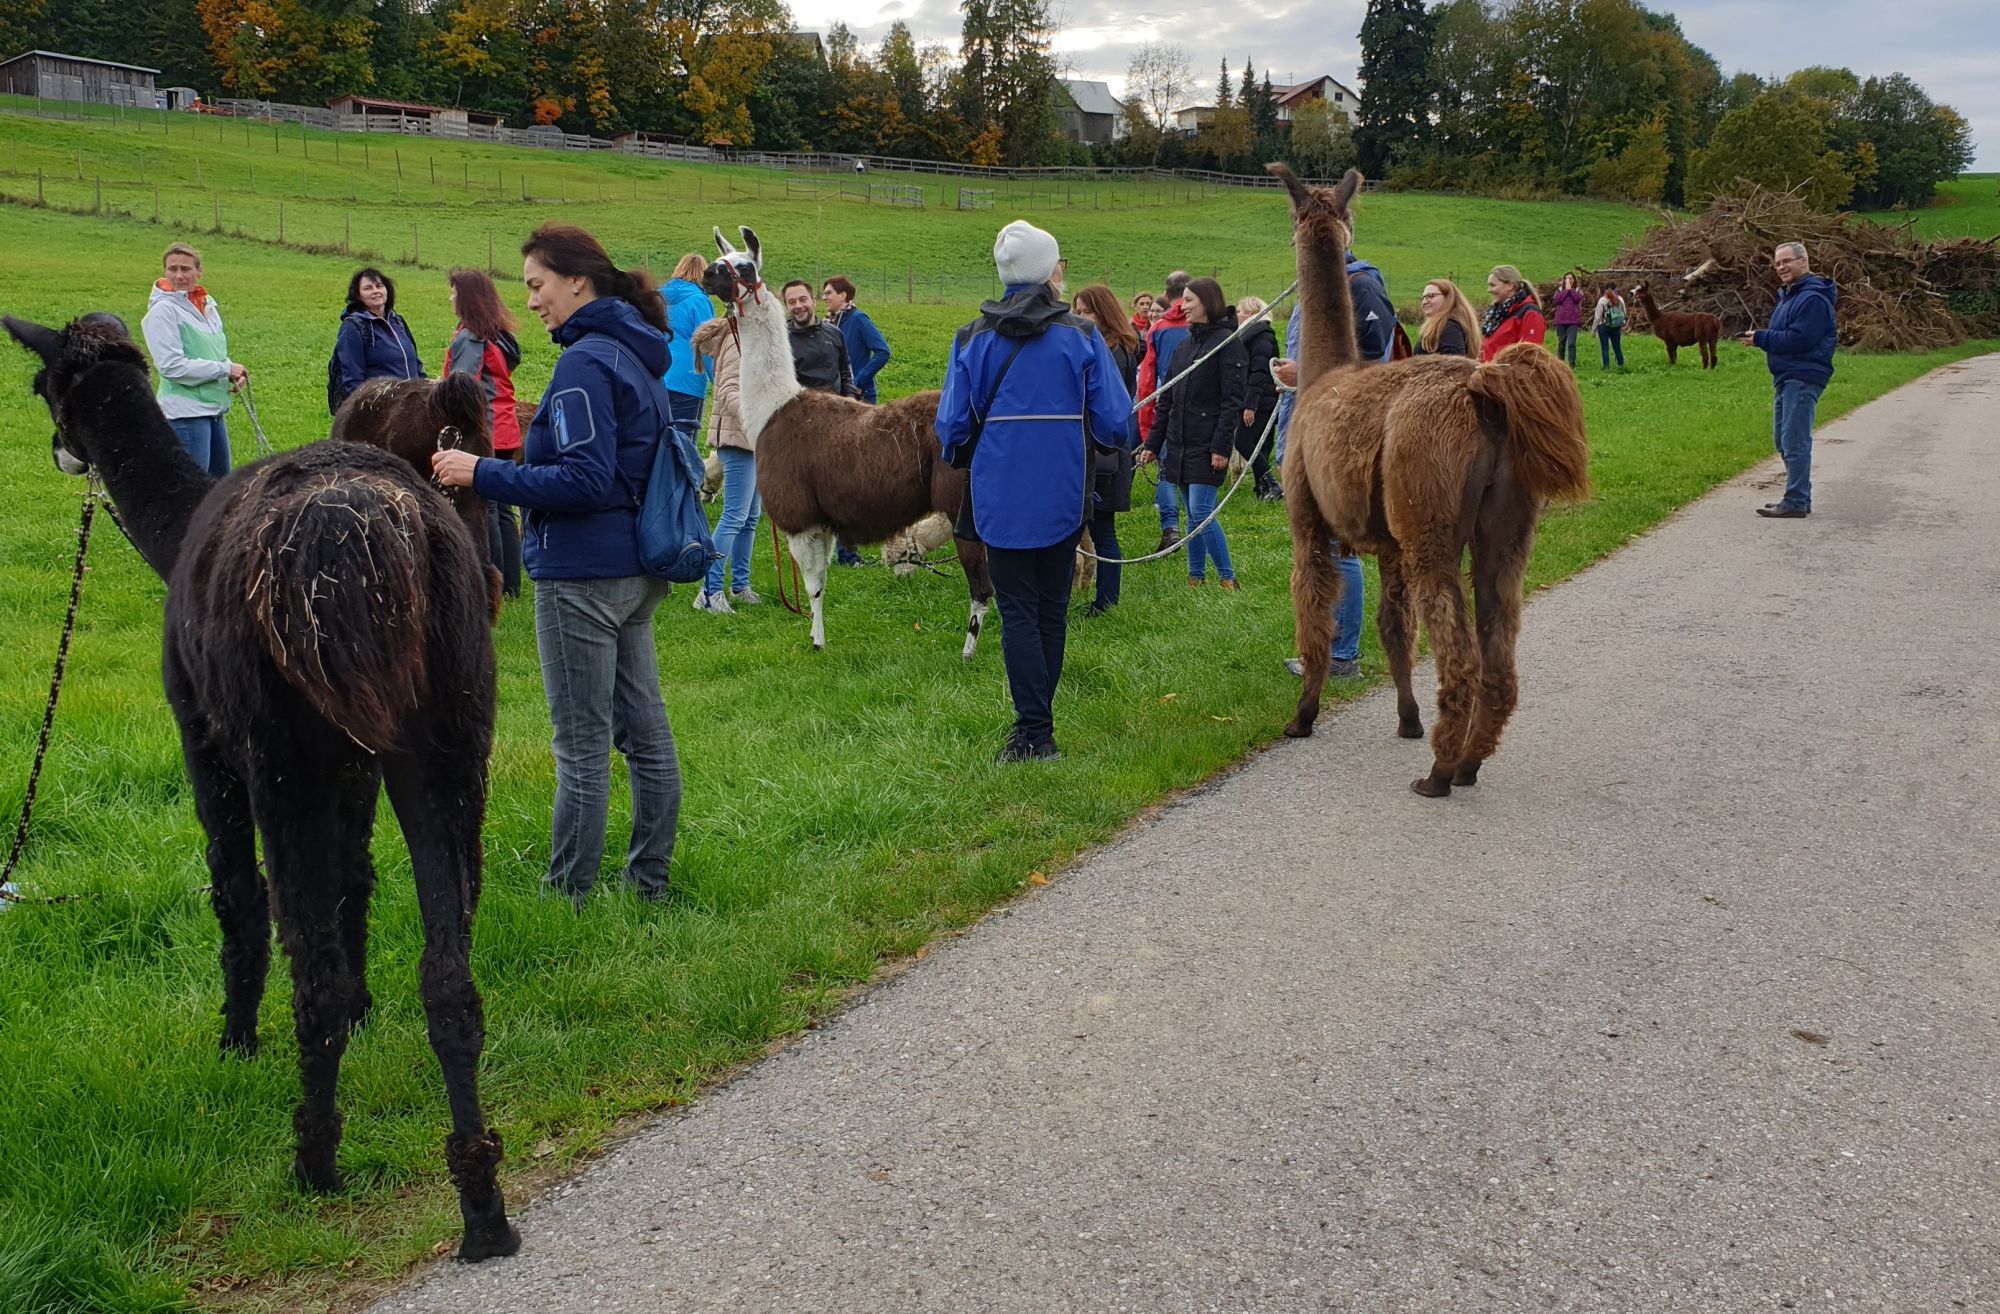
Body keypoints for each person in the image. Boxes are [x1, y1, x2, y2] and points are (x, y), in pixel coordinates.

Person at [431, 223, 681, 905]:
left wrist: (480, 471)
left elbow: (583, 481)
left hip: (584, 575)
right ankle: (648, 883)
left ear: (578, 279)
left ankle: (568, 894)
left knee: (581, 744)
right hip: (637, 569)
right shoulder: (638, 354)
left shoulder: (585, 363)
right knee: (646, 733)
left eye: (537, 285)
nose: (532, 301)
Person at [937, 221, 1132, 761]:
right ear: (1051, 271)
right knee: (1051, 609)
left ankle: (1034, 733)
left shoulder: (970, 340)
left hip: (997, 498)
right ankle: (1037, 730)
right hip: (1064, 498)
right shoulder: (1084, 337)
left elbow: (952, 427)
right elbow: (1116, 424)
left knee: (1020, 612)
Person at [1142, 276, 1245, 590]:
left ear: (1207, 302)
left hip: (1208, 442)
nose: (1181, 306)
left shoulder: (1229, 344)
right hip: (1180, 441)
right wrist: (1152, 443)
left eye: (1188, 300)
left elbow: (1232, 403)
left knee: (1201, 512)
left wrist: (1221, 447)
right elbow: (1167, 399)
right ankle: (1195, 577)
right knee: (1191, 513)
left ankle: (1228, 579)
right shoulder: (1185, 347)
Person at [1739, 241, 1838, 519]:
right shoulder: (1789, 296)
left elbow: (1800, 338)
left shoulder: (1812, 298)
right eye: (1778, 263)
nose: (1781, 267)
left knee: (1794, 439)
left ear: (1803, 261)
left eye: (1787, 261)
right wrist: (1762, 337)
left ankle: (1796, 499)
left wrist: (1762, 338)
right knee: (1783, 440)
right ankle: (1798, 496)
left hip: (1803, 374)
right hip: (1786, 375)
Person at [445, 268, 525, 598]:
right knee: (503, 508)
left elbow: (463, 387)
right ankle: (511, 585)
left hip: (484, 429)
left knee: (485, 508)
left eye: (453, 292)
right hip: (506, 426)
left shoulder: (470, 337)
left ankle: (492, 582)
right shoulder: (499, 334)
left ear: (467, 298)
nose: (450, 298)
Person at [141, 241, 244, 477]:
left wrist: (231, 372)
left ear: (199, 272)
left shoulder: (207, 305)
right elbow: (172, 366)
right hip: (186, 414)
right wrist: (224, 369)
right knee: (193, 494)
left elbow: (212, 352)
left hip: (212, 410)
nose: (178, 275)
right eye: (172, 269)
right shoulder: (162, 312)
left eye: (185, 269)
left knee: (218, 487)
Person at [1070, 283, 1140, 615]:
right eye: (1077, 311)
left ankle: (1107, 600)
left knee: (1102, 531)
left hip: (1104, 453)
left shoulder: (1114, 351)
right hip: (1098, 450)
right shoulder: (1101, 346)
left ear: (1104, 311)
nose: (1080, 317)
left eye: (1086, 311)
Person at [782, 278, 863, 564]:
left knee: (845, 488)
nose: (798, 306)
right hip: (803, 428)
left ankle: (847, 551)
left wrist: (852, 400)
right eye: (791, 302)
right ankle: (808, 550)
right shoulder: (784, 339)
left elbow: (845, 371)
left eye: (802, 299)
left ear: (812, 300)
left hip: (839, 423)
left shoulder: (834, 333)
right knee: (810, 493)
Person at [690, 316, 762, 613]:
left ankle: (740, 585)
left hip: (755, 439)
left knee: (750, 516)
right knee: (734, 515)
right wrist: (754, 419)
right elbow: (728, 387)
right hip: (739, 438)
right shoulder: (738, 338)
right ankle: (709, 592)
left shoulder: (753, 338)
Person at [1136, 269, 1192, 552]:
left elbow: (1147, 380)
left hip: (1167, 408)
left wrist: (1146, 425)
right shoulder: (1209, 323)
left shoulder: (1158, 329)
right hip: (1204, 410)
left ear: (1166, 295)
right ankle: (1198, 523)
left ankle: (1171, 528)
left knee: (1166, 473)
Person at [331, 266, 425, 412]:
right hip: (381, 413)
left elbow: (415, 365)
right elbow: (352, 380)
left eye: (379, 286)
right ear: (358, 295)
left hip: (410, 410)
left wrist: (426, 390)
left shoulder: (398, 322)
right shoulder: (354, 327)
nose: (375, 291)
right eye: (368, 288)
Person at [661, 253, 714, 444]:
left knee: (657, 444)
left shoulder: (658, 298)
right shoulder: (699, 301)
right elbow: (707, 345)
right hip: (688, 382)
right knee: (684, 447)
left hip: (657, 379)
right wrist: (719, 380)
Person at [1234, 294, 1281, 501]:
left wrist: (1250, 405)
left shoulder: (1260, 338)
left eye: (1240, 311)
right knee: (1259, 444)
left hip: (1261, 401)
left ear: (1251, 314)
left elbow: (1259, 373)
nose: (1237, 315)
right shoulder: (1254, 336)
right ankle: (1261, 488)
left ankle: (1272, 483)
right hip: (1262, 399)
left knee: (1243, 441)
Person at [822, 275, 892, 403]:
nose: (824, 297)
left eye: (828, 293)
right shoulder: (828, 323)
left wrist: (858, 382)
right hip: (836, 394)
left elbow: (883, 351)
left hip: (860, 396)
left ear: (842, 296)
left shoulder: (858, 319)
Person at [1480, 265, 1547, 361]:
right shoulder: (1495, 314)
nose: (1489, 290)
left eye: (1493, 285)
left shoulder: (1530, 313)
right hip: (1488, 374)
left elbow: (1530, 357)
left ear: (1510, 286)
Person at [1415, 279, 1482, 358]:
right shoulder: (1442, 325)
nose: (1424, 302)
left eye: (1430, 296)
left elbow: (1455, 365)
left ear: (1448, 298)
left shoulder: (1450, 327)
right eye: (1423, 298)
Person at [1550, 272, 1585, 367]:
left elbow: (1578, 299)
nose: (1569, 280)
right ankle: (1560, 363)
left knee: (1571, 343)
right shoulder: (1559, 290)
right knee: (1561, 343)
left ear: (1574, 280)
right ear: (1564, 280)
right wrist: (1566, 291)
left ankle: (1571, 363)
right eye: (1566, 278)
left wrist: (1571, 290)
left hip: (1573, 321)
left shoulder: (1578, 290)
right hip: (1561, 321)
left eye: (1571, 278)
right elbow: (1557, 300)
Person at [1591, 282, 1627, 369]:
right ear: (1615, 289)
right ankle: (1621, 365)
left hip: (1603, 326)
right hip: (1616, 326)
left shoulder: (1602, 300)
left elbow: (1597, 317)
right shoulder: (1620, 299)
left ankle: (1606, 366)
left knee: (1605, 347)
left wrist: (1593, 330)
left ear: (1605, 289)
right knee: (1617, 346)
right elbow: (1624, 312)